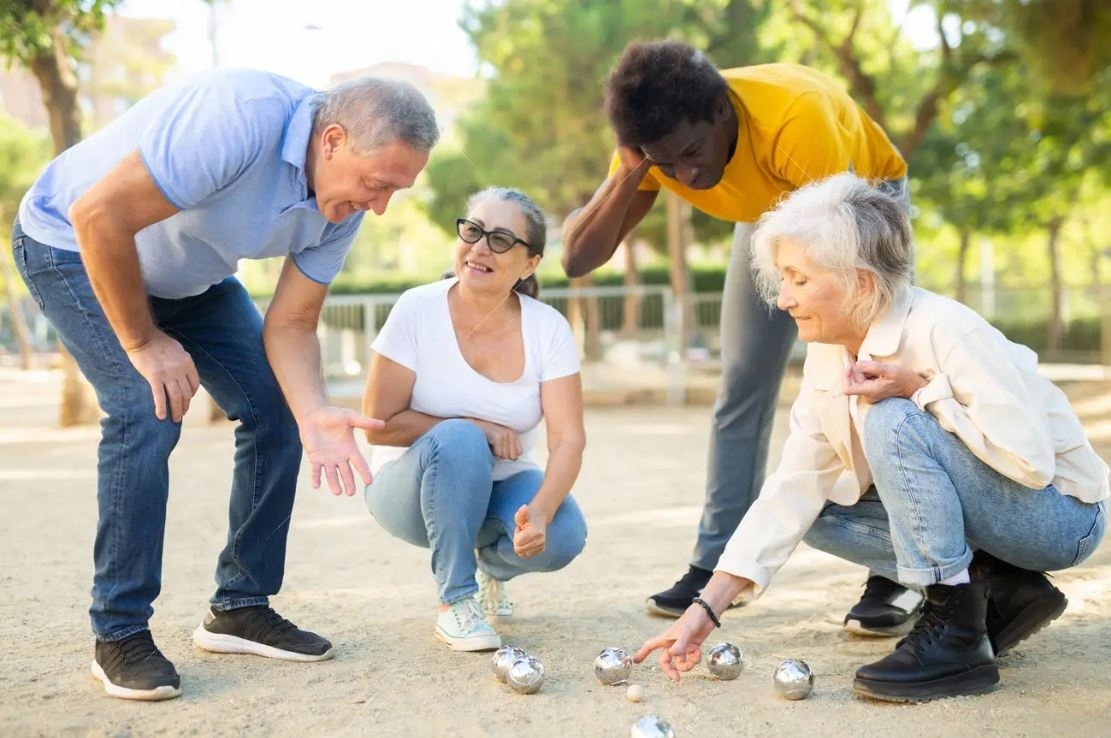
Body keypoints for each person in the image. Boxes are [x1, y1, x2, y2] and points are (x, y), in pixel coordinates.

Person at [11, 69, 439, 701]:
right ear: (333, 141)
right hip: (72, 244)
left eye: (395, 191)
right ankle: (119, 632)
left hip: (187, 279)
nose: (380, 206)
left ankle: (240, 604)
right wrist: (143, 342)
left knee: (279, 408)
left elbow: (292, 322)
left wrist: (313, 409)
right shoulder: (239, 117)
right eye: (377, 184)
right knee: (144, 406)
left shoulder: (342, 205)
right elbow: (98, 214)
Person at [634, 173, 1109, 702]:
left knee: (891, 419)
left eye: (798, 279)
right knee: (818, 508)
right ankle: (1003, 593)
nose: (784, 298)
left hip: (1059, 518)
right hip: (1002, 511)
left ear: (860, 282)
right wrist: (705, 610)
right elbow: (793, 486)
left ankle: (956, 638)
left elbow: (1030, 464)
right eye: (783, 279)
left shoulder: (946, 329)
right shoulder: (828, 352)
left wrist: (920, 391)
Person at [562, 39, 921, 633]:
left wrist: (842, 351)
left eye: (692, 154)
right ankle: (713, 562)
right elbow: (578, 259)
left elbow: (834, 251)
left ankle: (898, 570)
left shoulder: (794, 118)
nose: (686, 177)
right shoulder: (659, 142)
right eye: (665, 163)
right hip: (771, 206)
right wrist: (632, 171)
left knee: (868, 378)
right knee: (743, 379)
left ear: (722, 111)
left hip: (856, 203)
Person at [361, 187, 588, 652]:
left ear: (529, 263)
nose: (480, 247)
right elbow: (377, 420)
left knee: (564, 536)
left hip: (499, 486)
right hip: (406, 486)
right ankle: (455, 602)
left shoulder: (548, 328)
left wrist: (540, 513)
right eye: (474, 230)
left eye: (501, 239)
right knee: (461, 438)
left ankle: (490, 569)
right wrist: (475, 426)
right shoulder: (417, 308)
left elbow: (568, 441)